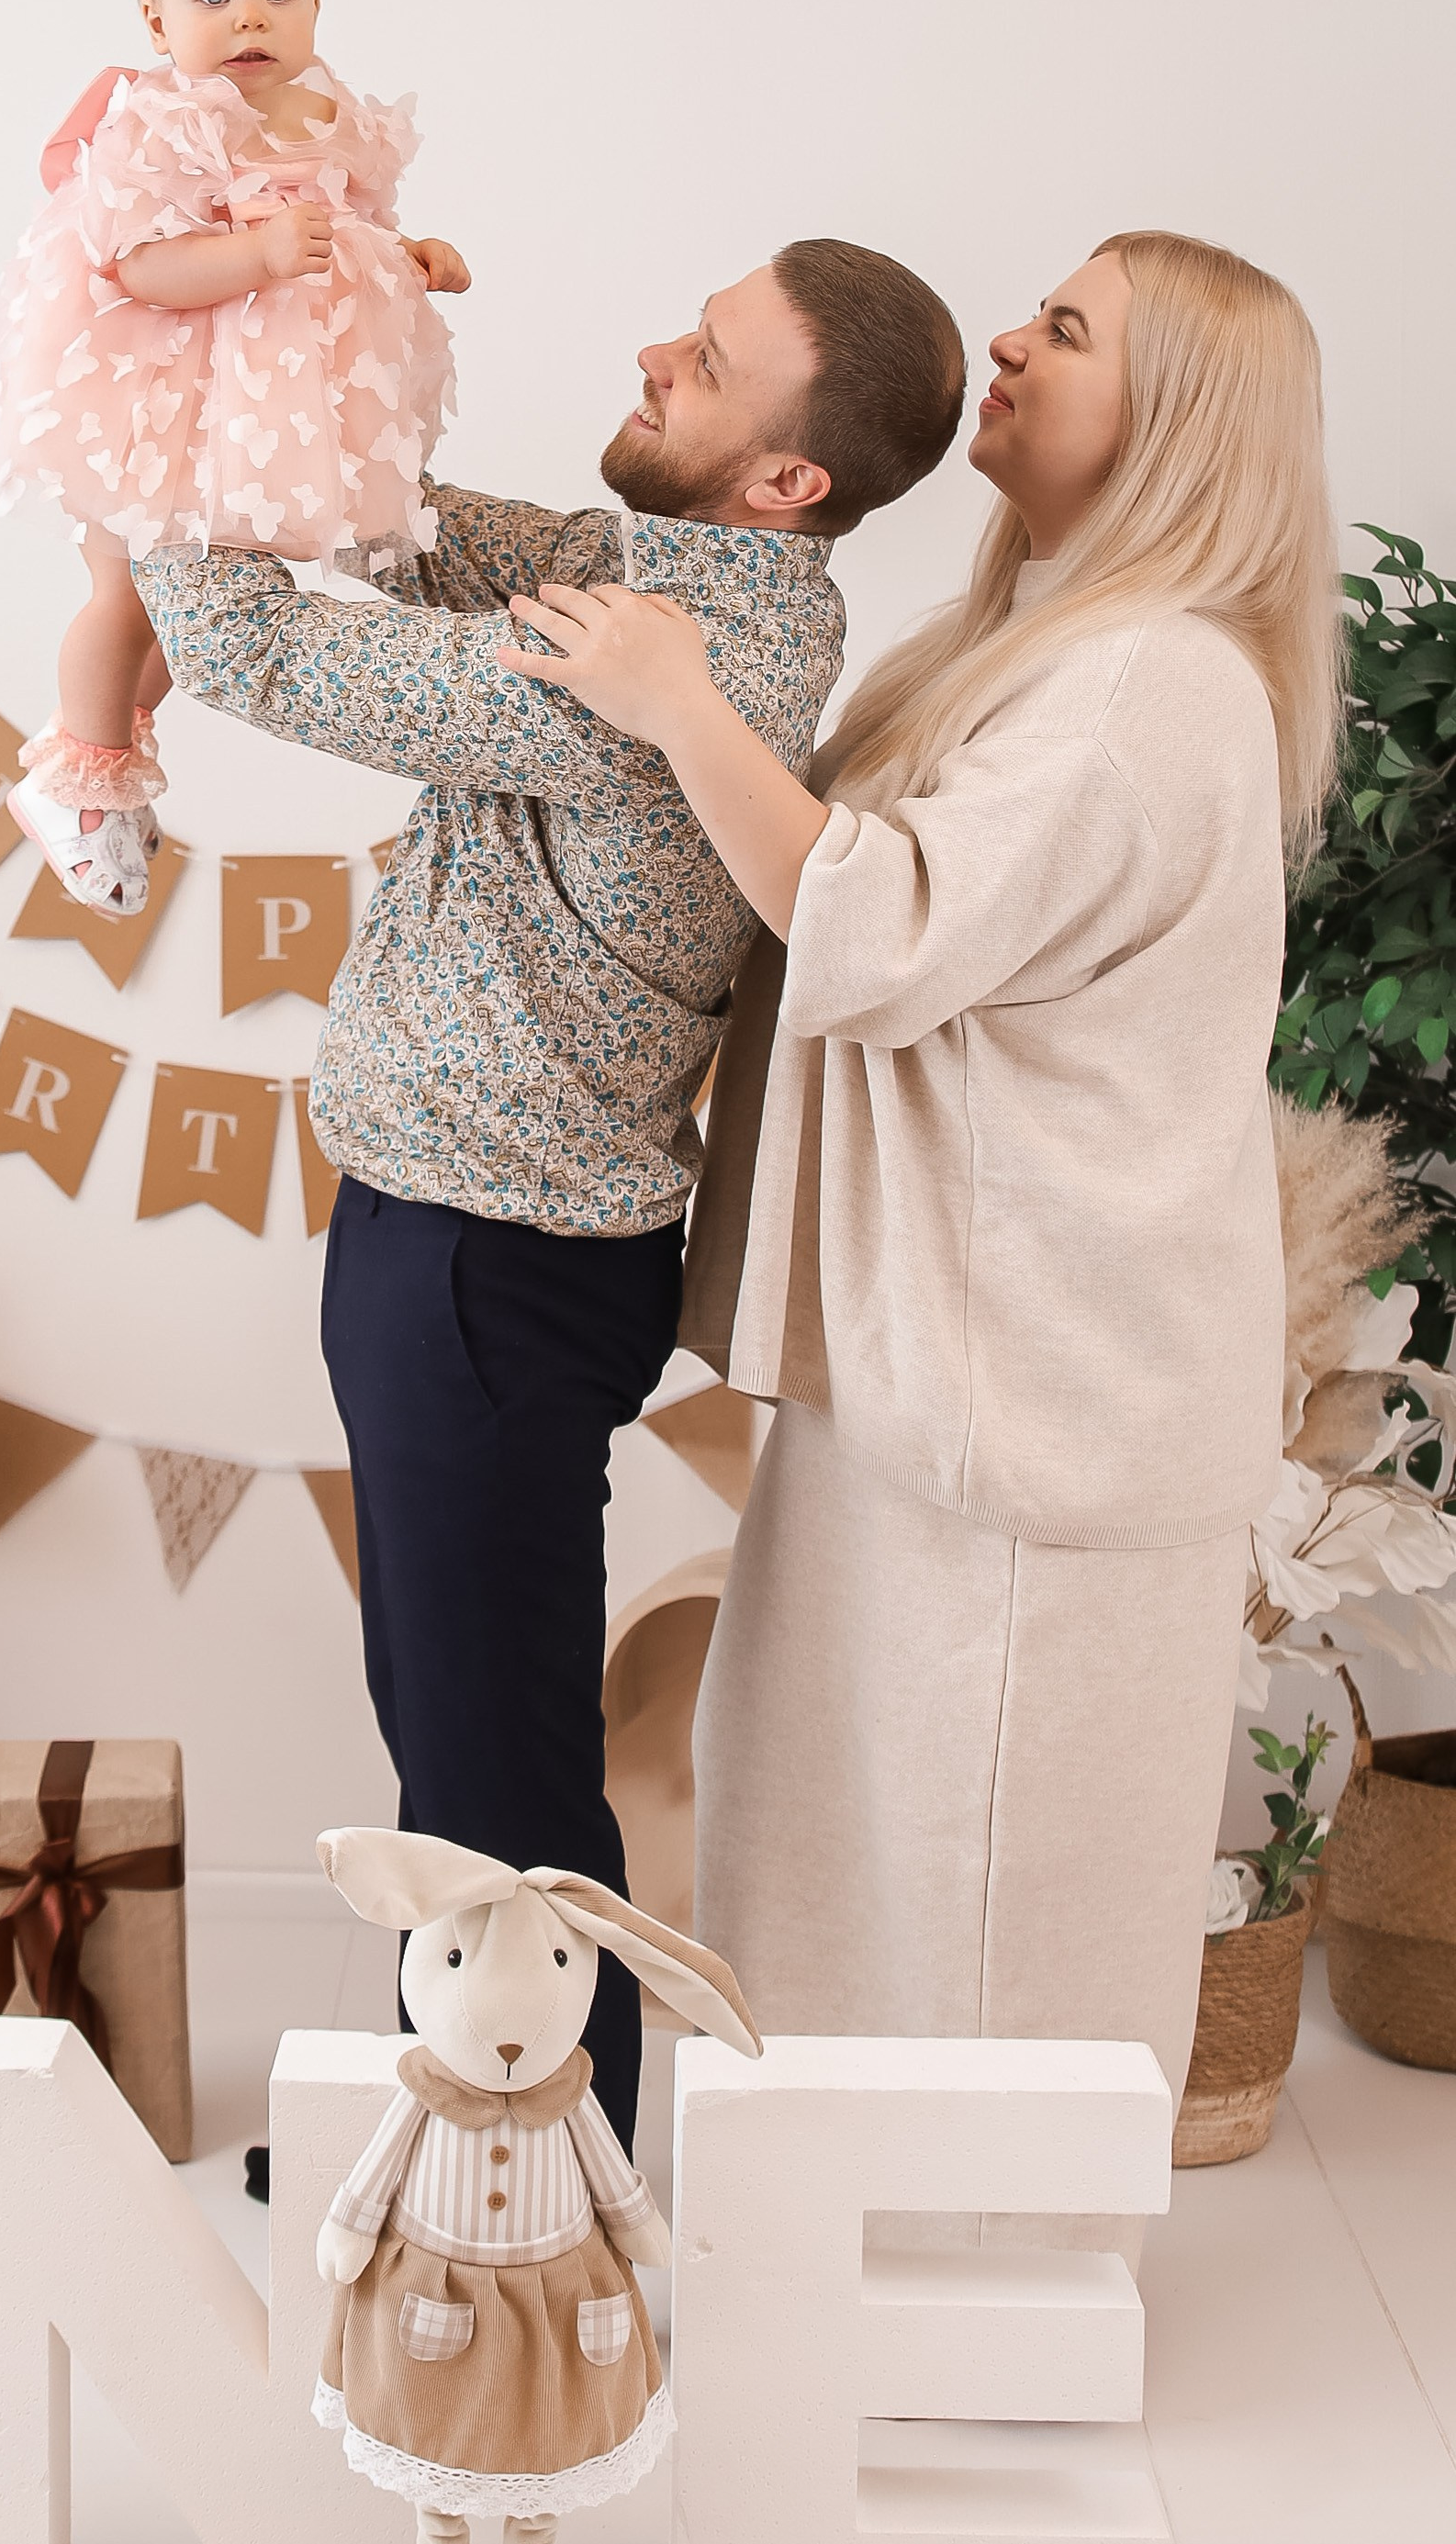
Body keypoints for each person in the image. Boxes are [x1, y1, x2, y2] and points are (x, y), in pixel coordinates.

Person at [498, 230, 1341, 2155]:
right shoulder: (1013, 644)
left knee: (983, 1902)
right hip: (933, 1379)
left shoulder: (1142, 686)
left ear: (1179, 421)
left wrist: (667, 692)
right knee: (832, 1850)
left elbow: (865, 920)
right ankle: (835, 2266)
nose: (1008, 346)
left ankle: (956, 2304)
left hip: (1038, 1409)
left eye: (1066, 330)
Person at [143, 241, 967, 2146]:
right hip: (467, 1246)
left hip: (481, 1268)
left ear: (787, 481)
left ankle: (542, 2164)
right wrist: (289, 355)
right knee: (457, 1721)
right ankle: (481, 2113)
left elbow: (252, 651)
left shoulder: (677, 666)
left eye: (704, 357)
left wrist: (139, 446)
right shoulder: (669, 588)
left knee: (488, 1750)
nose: (649, 356)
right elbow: (425, 530)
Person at [0, 0, 469, 916]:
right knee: (120, 590)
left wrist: (410, 255)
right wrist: (259, 256)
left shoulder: (333, 121)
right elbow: (137, 265)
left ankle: (104, 752)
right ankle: (77, 785)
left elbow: (346, 235)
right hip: (145, 400)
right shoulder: (159, 120)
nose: (250, 19)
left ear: (316, 3)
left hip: (256, 414)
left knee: (189, 616)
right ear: (156, 21)